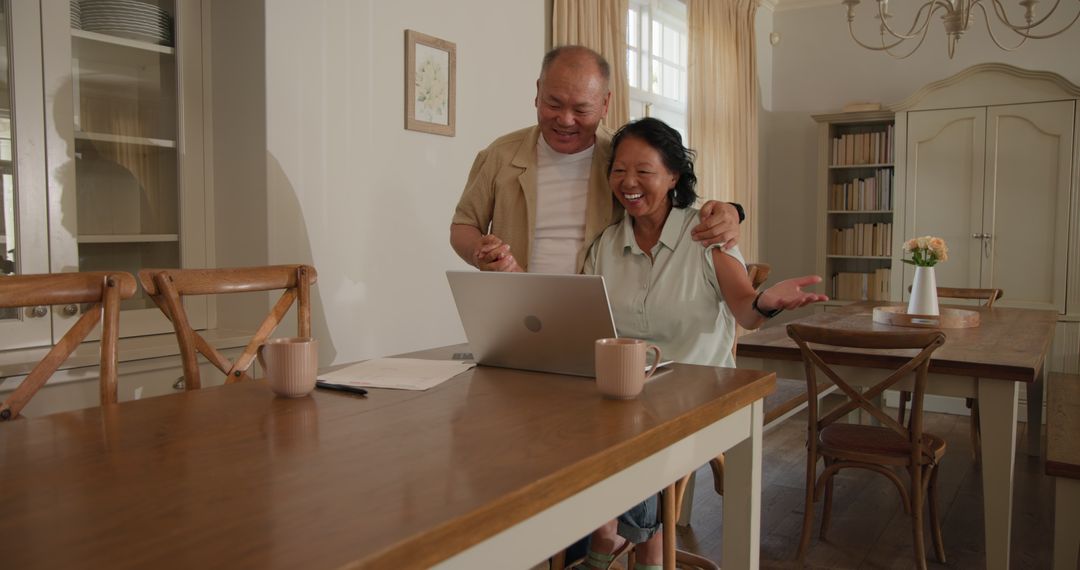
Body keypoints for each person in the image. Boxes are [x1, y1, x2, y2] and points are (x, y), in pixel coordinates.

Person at [578, 117, 828, 569]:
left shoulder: (707, 236)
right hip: (624, 393)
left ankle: (622, 542)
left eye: (644, 171)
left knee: (637, 436)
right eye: (618, 170)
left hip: (699, 393)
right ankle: (620, 538)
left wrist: (767, 302)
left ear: (674, 176)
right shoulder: (606, 243)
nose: (628, 183)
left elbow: (746, 313)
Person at [449, 45, 744, 274]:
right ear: (538, 93)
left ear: (605, 104)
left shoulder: (621, 158)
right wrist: (479, 250)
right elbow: (464, 225)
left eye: (581, 110)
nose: (565, 120)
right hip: (516, 304)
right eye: (554, 104)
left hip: (607, 310)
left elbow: (666, 207)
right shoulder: (501, 154)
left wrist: (731, 212)